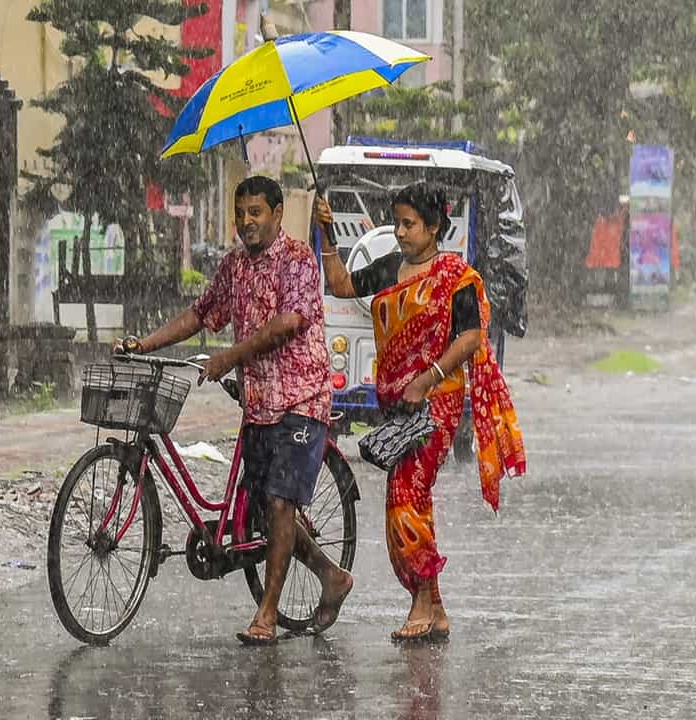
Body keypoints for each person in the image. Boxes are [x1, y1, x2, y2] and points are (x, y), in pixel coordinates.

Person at [116, 175, 354, 645]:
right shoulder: (235, 267)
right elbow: (200, 314)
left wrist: (229, 356)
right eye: (240, 213)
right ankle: (332, 575)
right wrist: (145, 343)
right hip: (257, 402)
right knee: (267, 511)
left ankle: (266, 614)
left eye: (256, 212)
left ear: (278, 213)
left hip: (301, 399)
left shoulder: (298, 260)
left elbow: (288, 323)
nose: (247, 222)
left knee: (282, 502)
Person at [316, 182, 526, 642]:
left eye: (409, 224)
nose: (400, 231)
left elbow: (470, 339)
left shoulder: (456, 276)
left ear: (434, 227)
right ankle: (436, 606)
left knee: (406, 495)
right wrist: (327, 234)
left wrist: (427, 377)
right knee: (410, 496)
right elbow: (341, 285)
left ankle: (419, 602)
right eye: (398, 222)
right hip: (397, 403)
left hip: (438, 399)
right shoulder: (392, 267)